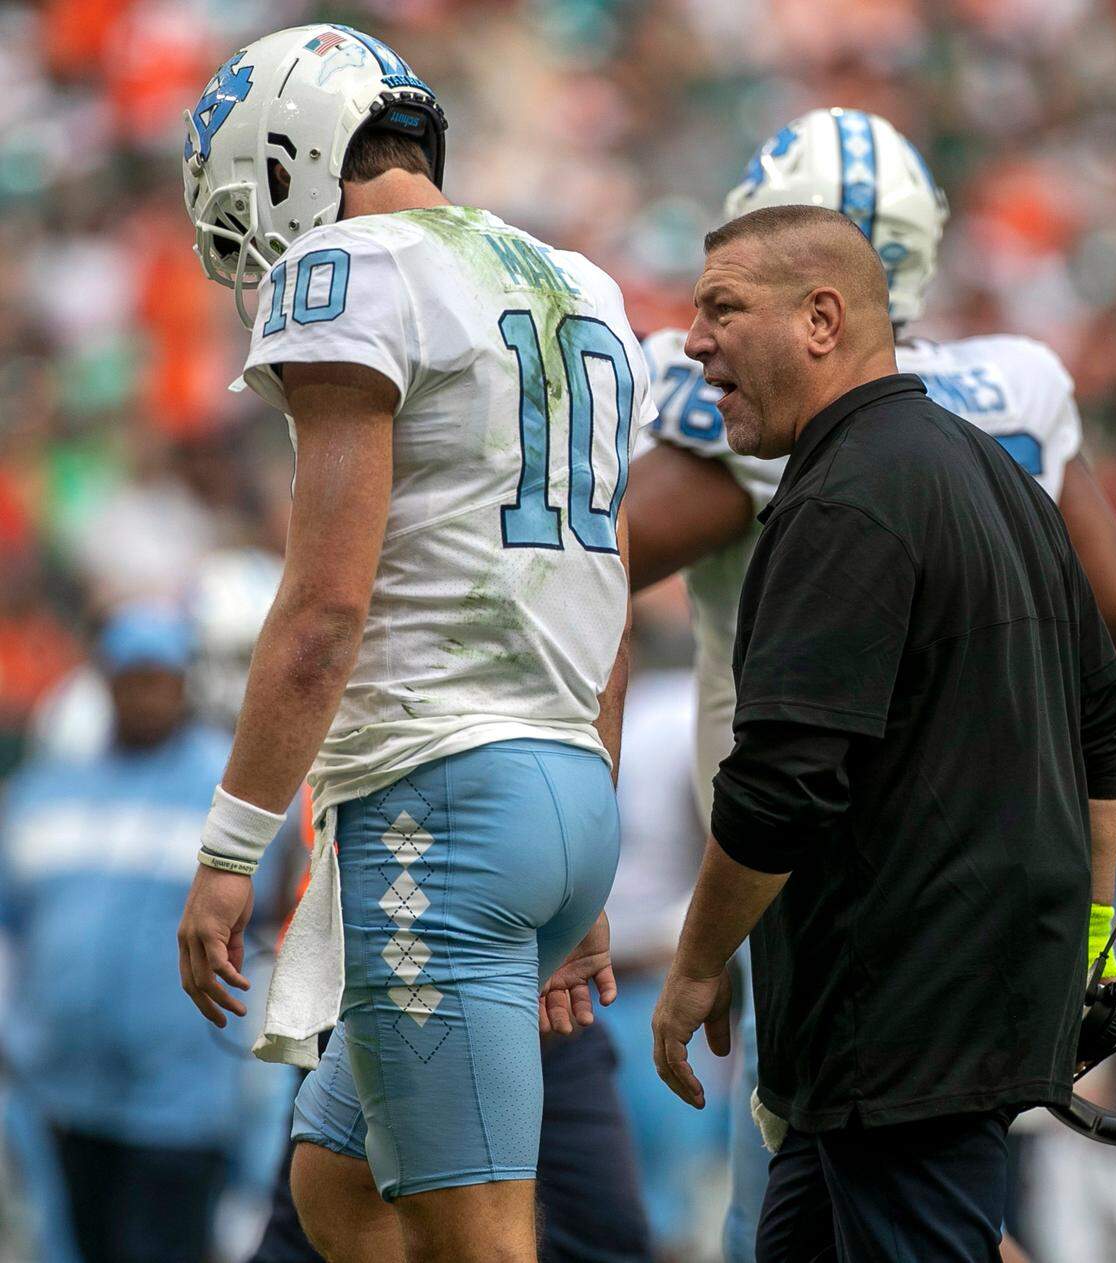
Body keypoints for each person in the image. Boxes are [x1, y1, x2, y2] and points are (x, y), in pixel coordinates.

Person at [623, 107, 1116, 1263]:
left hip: (896, 1020)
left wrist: (698, 961)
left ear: (823, 319)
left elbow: (786, 781)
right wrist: (1089, 933)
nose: (693, 342)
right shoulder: (996, 469)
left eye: (722, 310)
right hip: (911, 1018)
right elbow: (1103, 723)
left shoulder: (842, 496)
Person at [175, 24, 653, 1263]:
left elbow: (326, 610)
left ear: (291, 157)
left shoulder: (349, 270)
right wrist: (584, 851)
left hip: (441, 804)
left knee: (482, 1241)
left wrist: (232, 847)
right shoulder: (579, 282)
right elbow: (602, 589)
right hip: (559, 792)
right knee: (337, 1182)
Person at [0, 604, 262, 1263]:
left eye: (160, 677)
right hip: (61, 1093)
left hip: (181, 1099)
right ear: (106, 680)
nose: (146, 692)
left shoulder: (228, 795)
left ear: (183, 683)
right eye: (132, 676)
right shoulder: (46, 790)